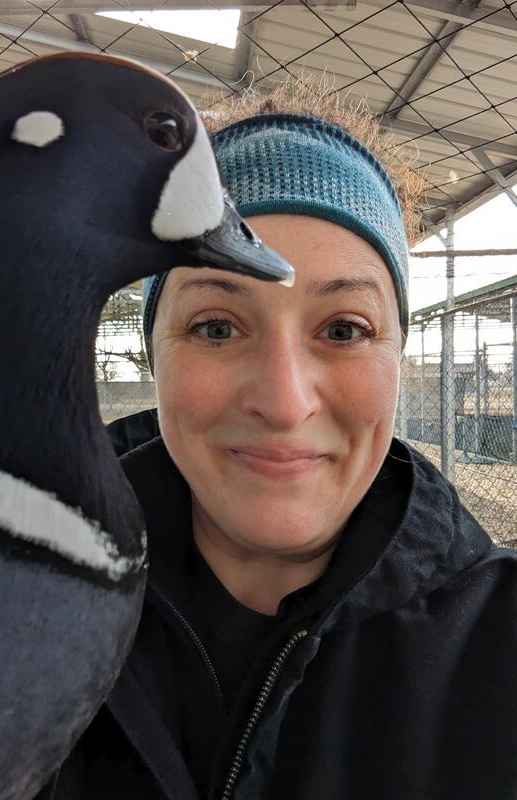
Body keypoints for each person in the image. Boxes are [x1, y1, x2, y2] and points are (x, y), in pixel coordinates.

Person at [44, 84, 517, 800]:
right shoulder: (2, 612)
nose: (284, 401)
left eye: (343, 330)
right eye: (216, 327)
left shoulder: (500, 645)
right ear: (153, 355)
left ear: (396, 358)